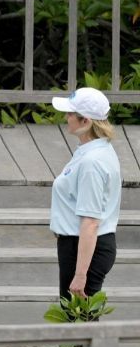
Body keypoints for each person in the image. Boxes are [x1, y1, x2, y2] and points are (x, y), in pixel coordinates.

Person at [50, 87, 121, 303]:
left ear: (85, 121)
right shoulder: (93, 151)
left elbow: (91, 221)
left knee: (78, 322)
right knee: (77, 321)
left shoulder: (92, 162)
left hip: (85, 247)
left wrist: (81, 274)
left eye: (71, 114)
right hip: (79, 244)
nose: (66, 117)